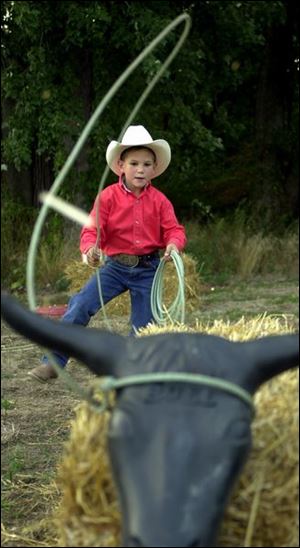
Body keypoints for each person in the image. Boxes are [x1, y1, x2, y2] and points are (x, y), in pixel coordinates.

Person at [28, 125, 187, 382]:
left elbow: (174, 230)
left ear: (154, 169)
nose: (140, 169)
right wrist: (90, 249)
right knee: (79, 305)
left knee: (144, 327)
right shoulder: (108, 197)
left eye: (147, 164)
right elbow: (91, 231)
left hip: (149, 270)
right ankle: (54, 363)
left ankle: (133, 374)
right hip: (115, 267)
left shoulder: (160, 201)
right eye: (134, 163)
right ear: (121, 165)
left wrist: (173, 245)